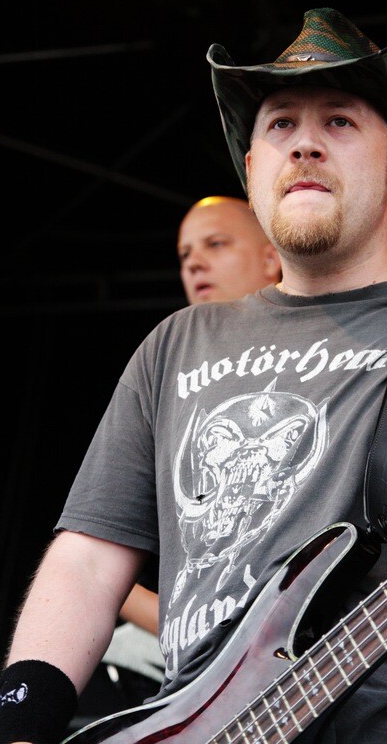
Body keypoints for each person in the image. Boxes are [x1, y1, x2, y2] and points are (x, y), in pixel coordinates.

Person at [0, 7, 387, 744]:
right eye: (280, 124)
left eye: (339, 121)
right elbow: (86, 561)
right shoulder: (175, 346)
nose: (304, 142)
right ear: (251, 171)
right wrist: (21, 725)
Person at [73, 194, 282, 720]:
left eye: (216, 244)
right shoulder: (167, 373)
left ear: (272, 257)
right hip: (191, 680)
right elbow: (95, 555)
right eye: (185, 253)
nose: (194, 263)